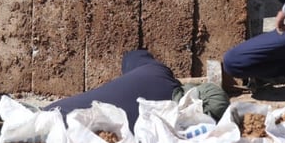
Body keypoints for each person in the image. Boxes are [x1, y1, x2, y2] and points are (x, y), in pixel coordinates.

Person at [44, 48, 230, 129]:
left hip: (45, 116)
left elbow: (133, 56)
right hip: (57, 135)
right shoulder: (167, 129)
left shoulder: (156, 72)